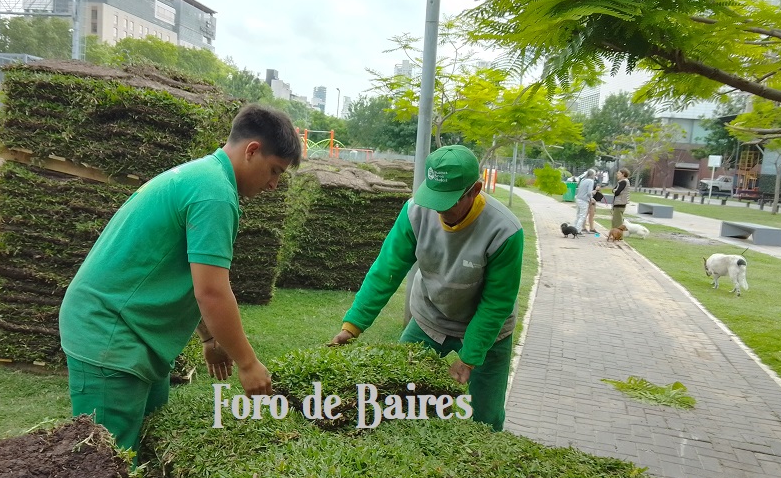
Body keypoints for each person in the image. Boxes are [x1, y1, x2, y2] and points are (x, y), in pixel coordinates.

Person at [58, 103, 300, 455]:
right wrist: (248, 364)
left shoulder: (204, 177)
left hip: (135, 336)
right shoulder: (215, 193)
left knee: (148, 444)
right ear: (252, 151)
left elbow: (181, 271)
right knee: (109, 467)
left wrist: (209, 338)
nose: (274, 185)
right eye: (274, 171)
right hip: (110, 334)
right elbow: (212, 291)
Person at [328, 145, 524, 432]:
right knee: (398, 399)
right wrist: (353, 325)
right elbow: (386, 271)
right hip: (429, 319)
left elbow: (496, 303)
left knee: (486, 416)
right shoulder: (416, 212)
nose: (439, 209)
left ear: (476, 189)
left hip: (490, 332)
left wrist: (469, 358)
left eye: (449, 200)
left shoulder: (505, 231)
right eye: (434, 198)